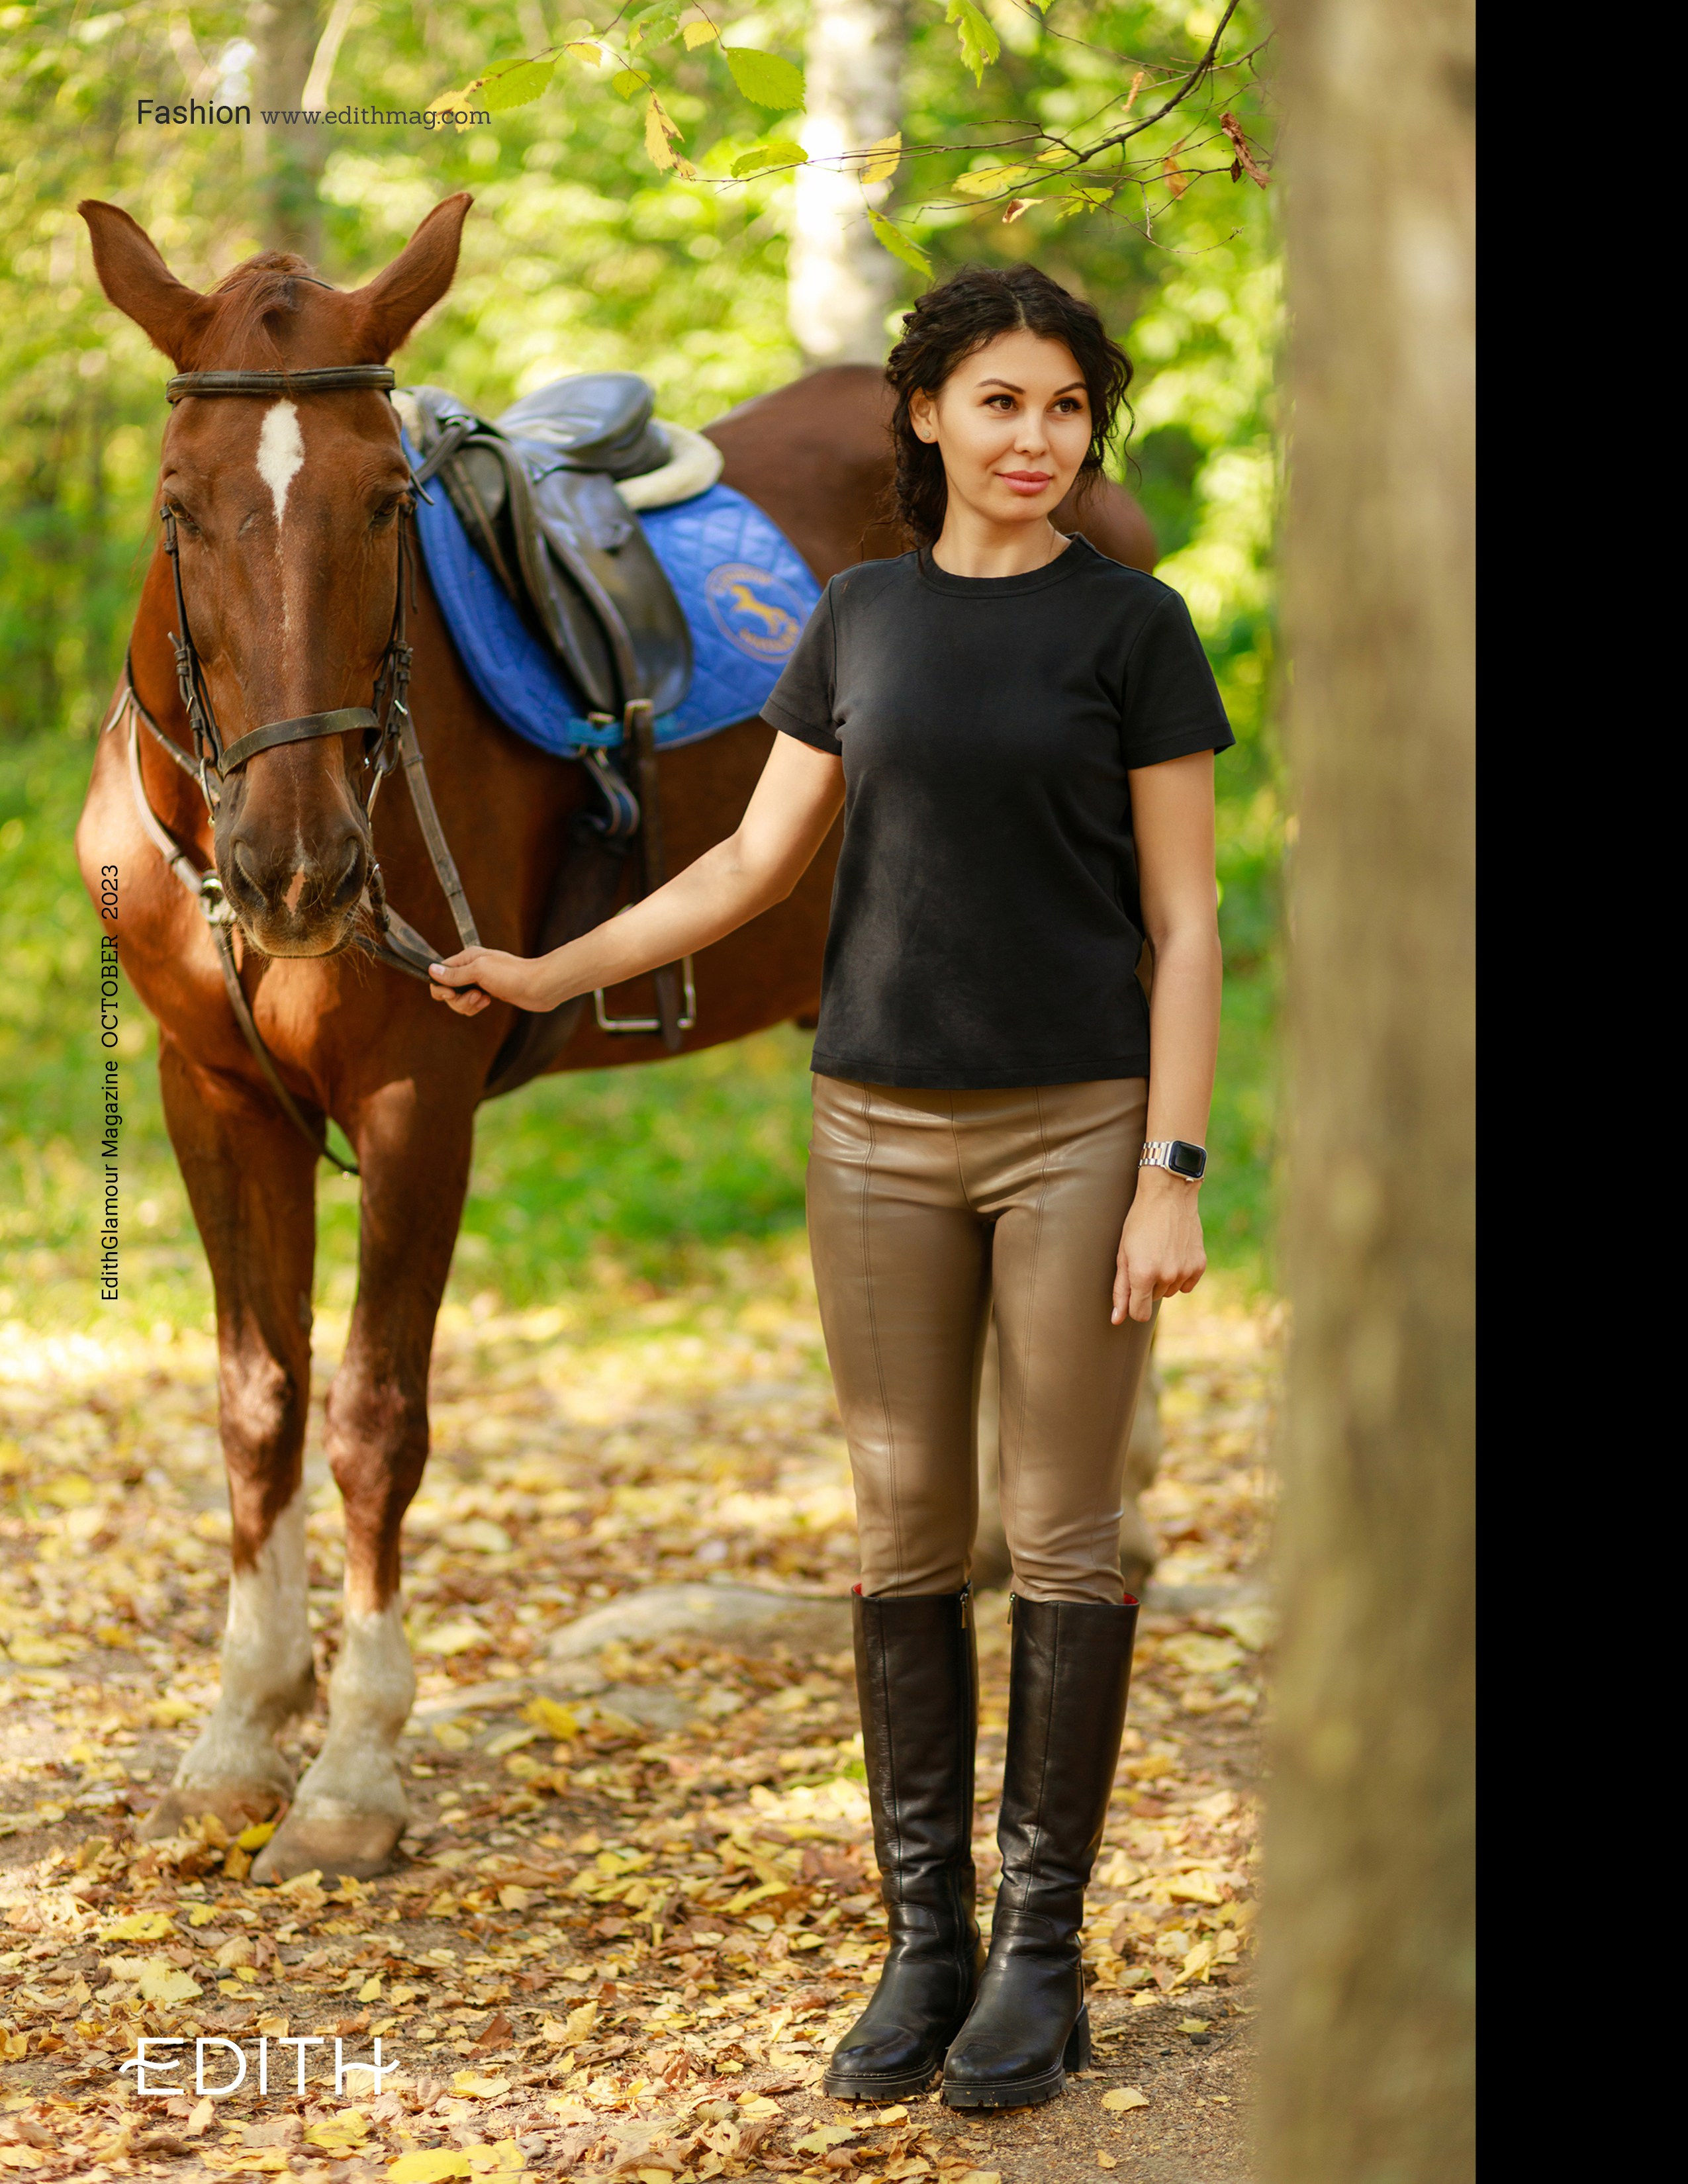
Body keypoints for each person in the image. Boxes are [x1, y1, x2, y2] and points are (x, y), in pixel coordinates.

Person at [429, 263, 1233, 2111]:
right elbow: (745, 869)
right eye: (1003, 402)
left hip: (1079, 1128)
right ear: (930, 416)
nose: (1038, 439)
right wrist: (549, 974)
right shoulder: (855, 617)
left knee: (1066, 1535)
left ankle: (1041, 1956)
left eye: (1066, 408)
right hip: (872, 1126)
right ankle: (922, 1943)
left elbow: (1189, 926)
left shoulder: (1139, 628)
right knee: (896, 1535)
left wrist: (1174, 1166)